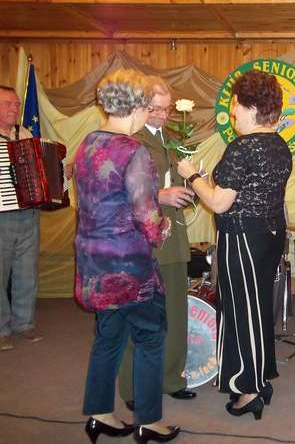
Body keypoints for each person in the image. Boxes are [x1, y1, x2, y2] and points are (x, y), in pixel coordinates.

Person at [177, 69, 292, 420]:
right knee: (258, 309)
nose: (233, 113)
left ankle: (249, 389)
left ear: (252, 109)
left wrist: (191, 175)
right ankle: (261, 379)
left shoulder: (243, 147)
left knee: (242, 311)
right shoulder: (280, 145)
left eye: (236, 106)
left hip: (242, 238)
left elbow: (218, 203)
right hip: (269, 237)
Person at [74, 69, 179, 443]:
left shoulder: (87, 143)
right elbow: (147, 217)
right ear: (137, 106)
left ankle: (100, 414)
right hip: (130, 269)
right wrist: (164, 228)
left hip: (94, 264)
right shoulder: (133, 151)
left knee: (108, 337)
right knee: (150, 338)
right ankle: (148, 421)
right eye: (148, 106)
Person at [118, 77, 197, 410]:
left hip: (174, 239)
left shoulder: (174, 142)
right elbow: (117, 191)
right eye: (155, 109)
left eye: (166, 109)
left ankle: (170, 378)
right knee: (141, 315)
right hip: (143, 241)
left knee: (176, 314)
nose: (162, 115)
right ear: (140, 106)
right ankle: (133, 387)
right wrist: (160, 195)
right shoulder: (128, 142)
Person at [0, 85, 42, 352]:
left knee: (27, 271)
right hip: (1, 214)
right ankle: (1, 329)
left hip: (28, 212)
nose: (14, 108)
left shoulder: (24, 134)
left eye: (16, 104)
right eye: (8, 104)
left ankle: (23, 323)